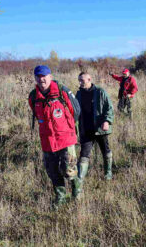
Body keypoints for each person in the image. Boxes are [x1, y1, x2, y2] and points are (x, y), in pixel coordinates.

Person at [28, 65, 81, 208]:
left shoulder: (62, 91)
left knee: (68, 169)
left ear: (50, 77)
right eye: (38, 76)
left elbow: (75, 110)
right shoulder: (33, 97)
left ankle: (77, 191)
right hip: (47, 141)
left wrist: (66, 128)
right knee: (52, 171)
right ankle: (61, 197)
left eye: (44, 76)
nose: (41, 79)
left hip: (65, 138)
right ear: (35, 78)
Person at [75, 72, 114, 197]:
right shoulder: (79, 94)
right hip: (86, 130)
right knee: (83, 156)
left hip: (99, 129)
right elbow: (75, 111)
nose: (80, 82)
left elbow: (109, 108)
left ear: (89, 79)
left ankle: (108, 173)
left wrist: (107, 121)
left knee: (105, 150)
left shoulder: (100, 91)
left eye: (82, 80)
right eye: (79, 80)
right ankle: (79, 184)